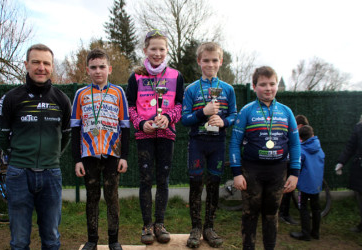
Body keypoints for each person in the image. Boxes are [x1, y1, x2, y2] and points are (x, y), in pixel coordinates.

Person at [0, 44, 72, 249]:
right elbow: (1, 136)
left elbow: (66, 136)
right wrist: (18, 158)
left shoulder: (62, 100)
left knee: (52, 239)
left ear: (52, 67)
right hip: (18, 175)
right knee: (19, 241)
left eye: (46, 63)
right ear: (26, 64)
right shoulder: (11, 98)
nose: (41, 67)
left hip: (51, 175)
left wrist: (52, 157)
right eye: (36, 62)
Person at [229, 66, 301, 250]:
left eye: (272, 84)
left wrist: (294, 174)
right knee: (249, 214)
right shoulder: (246, 111)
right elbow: (235, 142)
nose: (268, 88)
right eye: (263, 84)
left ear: (277, 85)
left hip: (278, 172)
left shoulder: (286, 112)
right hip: (251, 172)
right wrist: (236, 173)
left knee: (271, 215)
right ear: (254, 86)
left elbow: (294, 144)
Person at [125, 29, 184, 245]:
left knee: (163, 180)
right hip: (144, 135)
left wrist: (168, 117)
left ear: (167, 50)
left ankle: (160, 224)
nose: (157, 53)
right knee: (146, 180)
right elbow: (130, 106)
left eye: (161, 49)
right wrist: (141, 123)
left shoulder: (176, 75)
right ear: (145, 50)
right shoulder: (136, 76)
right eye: (153, 49)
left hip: (167, 133)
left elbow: (179, 104)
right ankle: (147, 225)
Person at [71, 49, 130, 250]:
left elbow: (125, 126)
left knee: (112, 197)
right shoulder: (81, 94)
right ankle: (92, 240)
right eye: (94, 67)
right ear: (87, 70)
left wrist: (124, 156)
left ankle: (114, 240)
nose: (98, 71)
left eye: (102, 67)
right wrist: (77, 159)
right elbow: (75, 128)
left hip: (113, 153)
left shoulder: (118, 92)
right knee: (92, 197)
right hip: (89, 154)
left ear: (109, 69)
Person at [181, 42, 237, 248]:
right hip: (197, 142)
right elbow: (184, 119)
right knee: (196, 185)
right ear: (199, 62)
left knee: (213, 185)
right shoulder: (191, 89)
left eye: (215, 60)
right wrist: (202, 113)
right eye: (206, 60)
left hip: (217, 144)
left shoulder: (228, 89)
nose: (210, 64)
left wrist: (224, 122)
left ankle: (209, 228)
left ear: (220, 62)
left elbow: (234, 115)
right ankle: (195, 228)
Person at [290, 125, 325, 241]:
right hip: (316, 183)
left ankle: (305, 234)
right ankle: (316, 232)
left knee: (303, 207)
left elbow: (297, 165)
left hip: (304, 185)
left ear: (300, 137)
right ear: (312, 134)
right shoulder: (319, 147)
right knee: (316, 208)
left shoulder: (301, 149)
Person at [279, 114, 310, 225]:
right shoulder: (293, 133)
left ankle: (282, 213)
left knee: (286, 189)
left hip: (287, 162)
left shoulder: (288, 130)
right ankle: (284, 214)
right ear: (300, 125)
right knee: (287, 189)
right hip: (287, 163)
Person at [335, 115, 362, 233]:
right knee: (360, 197)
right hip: (360, 169)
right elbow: (350, 147)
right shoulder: (359, 128)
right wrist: (341, 162)